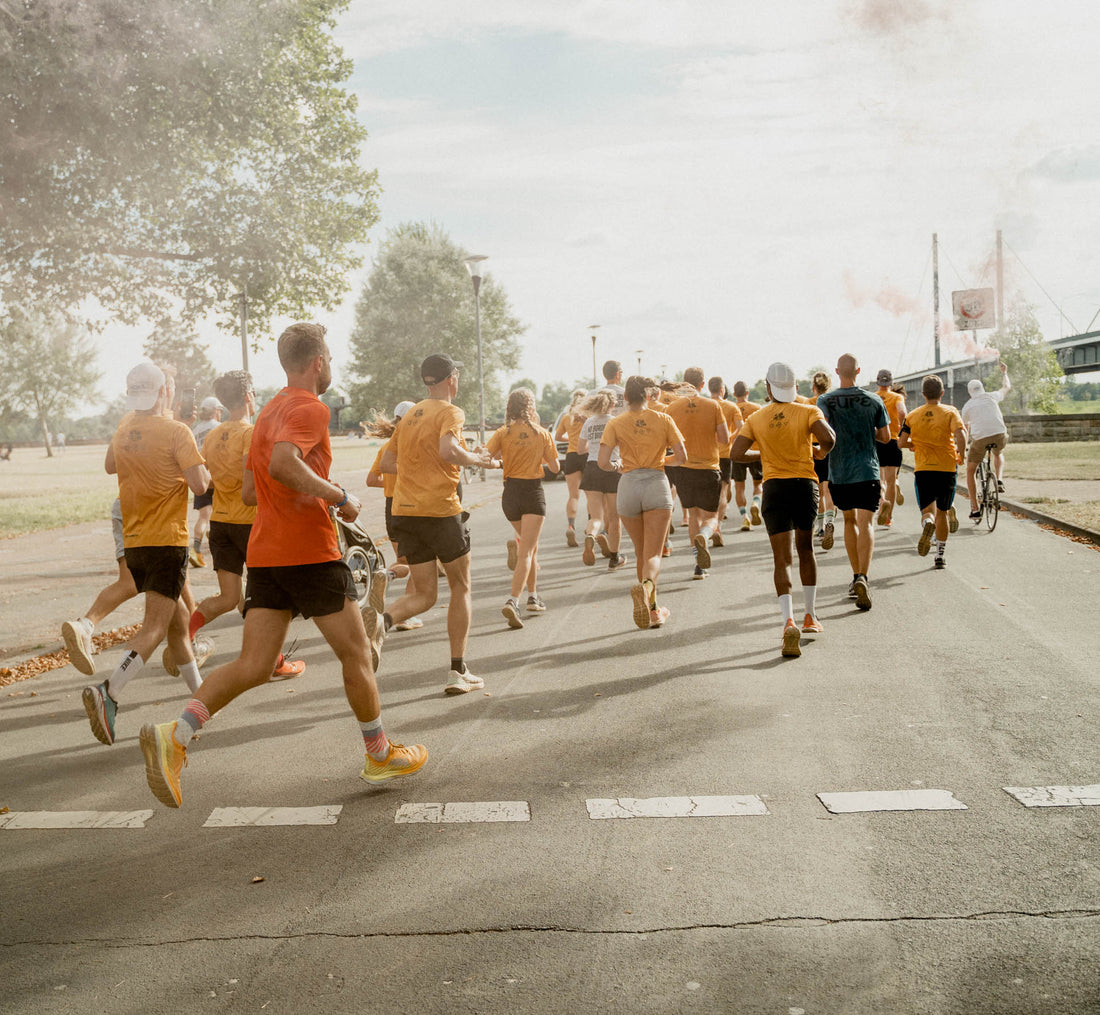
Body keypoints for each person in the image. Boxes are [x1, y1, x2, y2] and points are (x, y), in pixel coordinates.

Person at [140, 323, 428, 808]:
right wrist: (339, 496)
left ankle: (176, 735)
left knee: (253, 664)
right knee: (357, 652)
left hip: (268, 553)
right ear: (317, 362)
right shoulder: (308, 407)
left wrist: (292, 491)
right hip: (309, 553)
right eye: (330, 356)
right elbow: (282, 465)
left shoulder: (268, 410)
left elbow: (253, 490)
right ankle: (379, 753)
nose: (332, 364)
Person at [80, 361, 211, 746]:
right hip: (167, 540)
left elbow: (109, 466)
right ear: (164, 393)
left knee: (178, 620)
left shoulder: (124, 429)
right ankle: (110, 691)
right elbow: (200, 483)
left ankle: (201, 699)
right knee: (154, 628)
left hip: (135, 540)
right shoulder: (176, 431)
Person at [379, 354, 498, 694]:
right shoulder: (450, 411)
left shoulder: (411, 415)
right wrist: (476, 459)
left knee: (426, 595)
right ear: (451, 379)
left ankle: (381, 621)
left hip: (405, 511)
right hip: (441, 510)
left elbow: (388, 462)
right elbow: (448, 451)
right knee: (461, 586)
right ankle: (457, 671)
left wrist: (418, 472)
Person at [186, 371, 304, 679]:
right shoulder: (250, 433)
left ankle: (183, 640)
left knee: (228, 598)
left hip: (221, 524)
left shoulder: (211, 436)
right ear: (250, 396)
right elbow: (252, 481)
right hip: (251, 524)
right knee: (266, 598)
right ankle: (273, 662)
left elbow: (207, 479)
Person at [730, 362, 835, 658]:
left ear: (768, 386)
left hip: (774, 488)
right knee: (806, 550)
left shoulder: (757, 417)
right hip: (804, 485)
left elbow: (736, 454)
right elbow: (829, 438)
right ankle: (811, 616)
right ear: (795, 387)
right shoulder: (808, 411)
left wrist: (762, 452)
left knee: (781, 559)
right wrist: (819, 452)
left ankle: (787, 620)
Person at [598, 376, 687, 629]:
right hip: (656, 484)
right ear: (648, 396)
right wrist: (660, 461)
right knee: (654, 555)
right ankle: (647, 589)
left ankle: (654, 611)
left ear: (625, 398)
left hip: (628, 485)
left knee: (640, 552)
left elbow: (603, 463)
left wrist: (618, 465)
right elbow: (682, 457)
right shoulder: (664, 419)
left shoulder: (616, 423)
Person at [815, 355, 891, 610]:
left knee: (848, 521)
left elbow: (821, 430)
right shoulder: (874, 400)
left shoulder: (825, 400)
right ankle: (863, 577)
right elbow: (885, 436)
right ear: (858, 371)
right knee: (866, 522)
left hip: (840, 472)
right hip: (867, 471)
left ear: (837, 371)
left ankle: (854, 574)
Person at [486, 388, 560, 627]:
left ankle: (533, 597)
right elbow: (556, 468)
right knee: (527, 552)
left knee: (529, 547)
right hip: (532, 492)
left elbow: (487, 460)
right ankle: (513, 600)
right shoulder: (541, 433)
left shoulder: (502, 432)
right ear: (531, 408)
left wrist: (504, 462)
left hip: (510, 494)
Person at [665, 367, 729, 579]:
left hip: (683, 469)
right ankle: (705, 534)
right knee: (711, 517)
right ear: (703, 385)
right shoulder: (713, 405)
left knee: (693, 514)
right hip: (709, 468)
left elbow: (666, 441)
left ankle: (699, 566)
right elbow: (724, 439)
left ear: (684, 384)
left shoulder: (672, 408)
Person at [898, 375, 967, 569]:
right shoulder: (950, 412)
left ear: (923, 394)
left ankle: (927, 523)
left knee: (928, 511)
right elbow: (960, 435)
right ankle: (940, 555)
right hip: (946, 468)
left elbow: (901, 442)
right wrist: (961, 454)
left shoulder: (912, 415)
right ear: (942, 393)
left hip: (924, 470)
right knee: (943, 512)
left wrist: (915, 444)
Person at [366, 401, 422, 631]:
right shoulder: (416, 446)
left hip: (391, 509)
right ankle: (405, 615)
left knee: (403, 561)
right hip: (412, 507)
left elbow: (371, 480)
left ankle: (387, 575)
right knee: (420, 565)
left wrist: (390, 484)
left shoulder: (386, 447)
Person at [576, 389, 626, 570]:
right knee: (614, 518)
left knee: (596, 516)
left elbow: (580, 449)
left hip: (592, 468)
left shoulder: (589, 422)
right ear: (613, 405)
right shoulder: (616, 422)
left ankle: (591, 535)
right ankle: (615, 558)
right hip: (612, 467)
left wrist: (594, 446)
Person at [961, 363, 1011, 519]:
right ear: (982, 388)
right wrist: (1004, 373)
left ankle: (975, 509)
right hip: (999, 434)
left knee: (970, 471)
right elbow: (1006, 387)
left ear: (970, 393)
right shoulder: (992, 396)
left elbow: (965, 429)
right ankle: (1000, 479)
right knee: (998, 453)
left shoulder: (967, 406)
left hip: (980, 439)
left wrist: (963, 449)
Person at [707, 376, 743, 546]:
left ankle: (705, 526)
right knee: (723, 492)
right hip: (725, 455)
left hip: (707, 454)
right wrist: (730, 437)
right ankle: (717, 527)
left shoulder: (705, 405)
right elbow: (741, 427)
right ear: (722, 390)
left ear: (709, 389)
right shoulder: (731, 406)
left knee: (708, 493)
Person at [188, 396, 222, 568]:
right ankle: (216, 550)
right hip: (216, 477)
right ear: (216, 411)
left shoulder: (195, 430)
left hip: (200, 476)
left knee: (203, 517)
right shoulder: (219, 428)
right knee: (219, 515)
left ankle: (196, 549)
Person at [874, 369, 907, 526]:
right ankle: (889, 517)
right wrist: (901, 427)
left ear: (877, 382)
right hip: (893, 440)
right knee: (891, 480)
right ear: (891, 383)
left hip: (876, 440)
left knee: (879, 479)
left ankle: (882, 502)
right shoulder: (897, 397)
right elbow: (902, 411)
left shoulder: (872, 397)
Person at [555, 389, 588, 546]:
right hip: (587, 455)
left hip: (572, 456)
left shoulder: (567, 416)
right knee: (591, 495)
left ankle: (571, 526)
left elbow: (557, 436)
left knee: (573, 495)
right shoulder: (589, 415)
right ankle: (590, 528)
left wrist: (571, 437)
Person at [808, 372, 837, 548]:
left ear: (813, 387)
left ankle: (819, 529)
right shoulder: (832, 403)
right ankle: (830, 522)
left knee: (818, 491)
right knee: (829, 491)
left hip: (812, 448)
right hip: (830, 446)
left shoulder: (808, 404)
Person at [730, 380, 763, 530]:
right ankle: (755, 503)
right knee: (758, 483)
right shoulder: (757, 408)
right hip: (755, 450)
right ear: (747, 393)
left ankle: (744, 517)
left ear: (734, 394)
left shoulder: (731, 408)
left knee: (739, 487)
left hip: (737, 451)